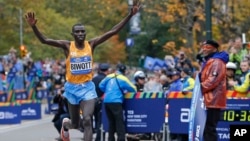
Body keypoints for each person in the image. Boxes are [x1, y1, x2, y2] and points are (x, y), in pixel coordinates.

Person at [25, 1, 141, 140]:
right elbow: (44, 40)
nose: (80, 33)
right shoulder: (67, 46)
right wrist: (34, 27)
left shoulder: (91, 44)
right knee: (75, 123)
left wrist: (130, 15)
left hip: (87, 88)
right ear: (73, 34)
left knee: (87, 120)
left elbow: (113, 31)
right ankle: (66, 125)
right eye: (77, 32)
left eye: (83, 31)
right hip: (72, 89)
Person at [199, 40, 229, 141]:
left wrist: (199, 88)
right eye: (203, 47)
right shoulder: (209, 61)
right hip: (208, 100)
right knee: (207, 129)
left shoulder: (217, 62)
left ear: (215, 48)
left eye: (207, 47)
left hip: (213, 101)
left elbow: (212, 80)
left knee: (209, 128)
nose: (204, 49)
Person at [99, 64, 137, 141]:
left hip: (107, 101)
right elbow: (133, 89)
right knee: (119, 121)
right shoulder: (123, 79)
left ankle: (111, 139)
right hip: (116, 101)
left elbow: (100, 85)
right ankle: (121, 139)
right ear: (124, 71)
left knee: (111, 122)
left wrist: (107, 91)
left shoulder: (109, 76)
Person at [92, 63, 110, 141]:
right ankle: (99, 138)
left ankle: (96, 134)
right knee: (101, 121)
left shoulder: (94, 78)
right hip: (101, 102)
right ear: (107, 70)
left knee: (95, 119)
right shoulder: (106, 79)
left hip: (93, 101)